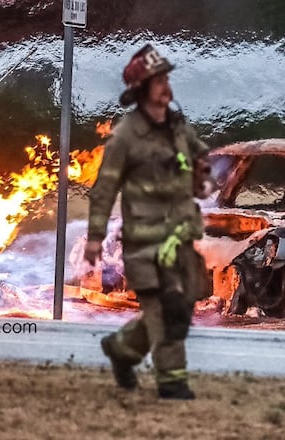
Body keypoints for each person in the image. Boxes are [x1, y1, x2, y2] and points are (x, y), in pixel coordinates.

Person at [84, 44, 212, 400]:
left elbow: (199, 158)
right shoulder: (126, 137)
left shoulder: (177, 127)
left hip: (180, 239)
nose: (165, 85)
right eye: (158, 80)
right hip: (146, 243)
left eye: (166, 78)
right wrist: (95, 237)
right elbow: (104, 188)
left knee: (182, 305)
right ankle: (172, 383)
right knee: (165, 311)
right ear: (142, 89)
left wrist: (202, 175)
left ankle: (122, 348)